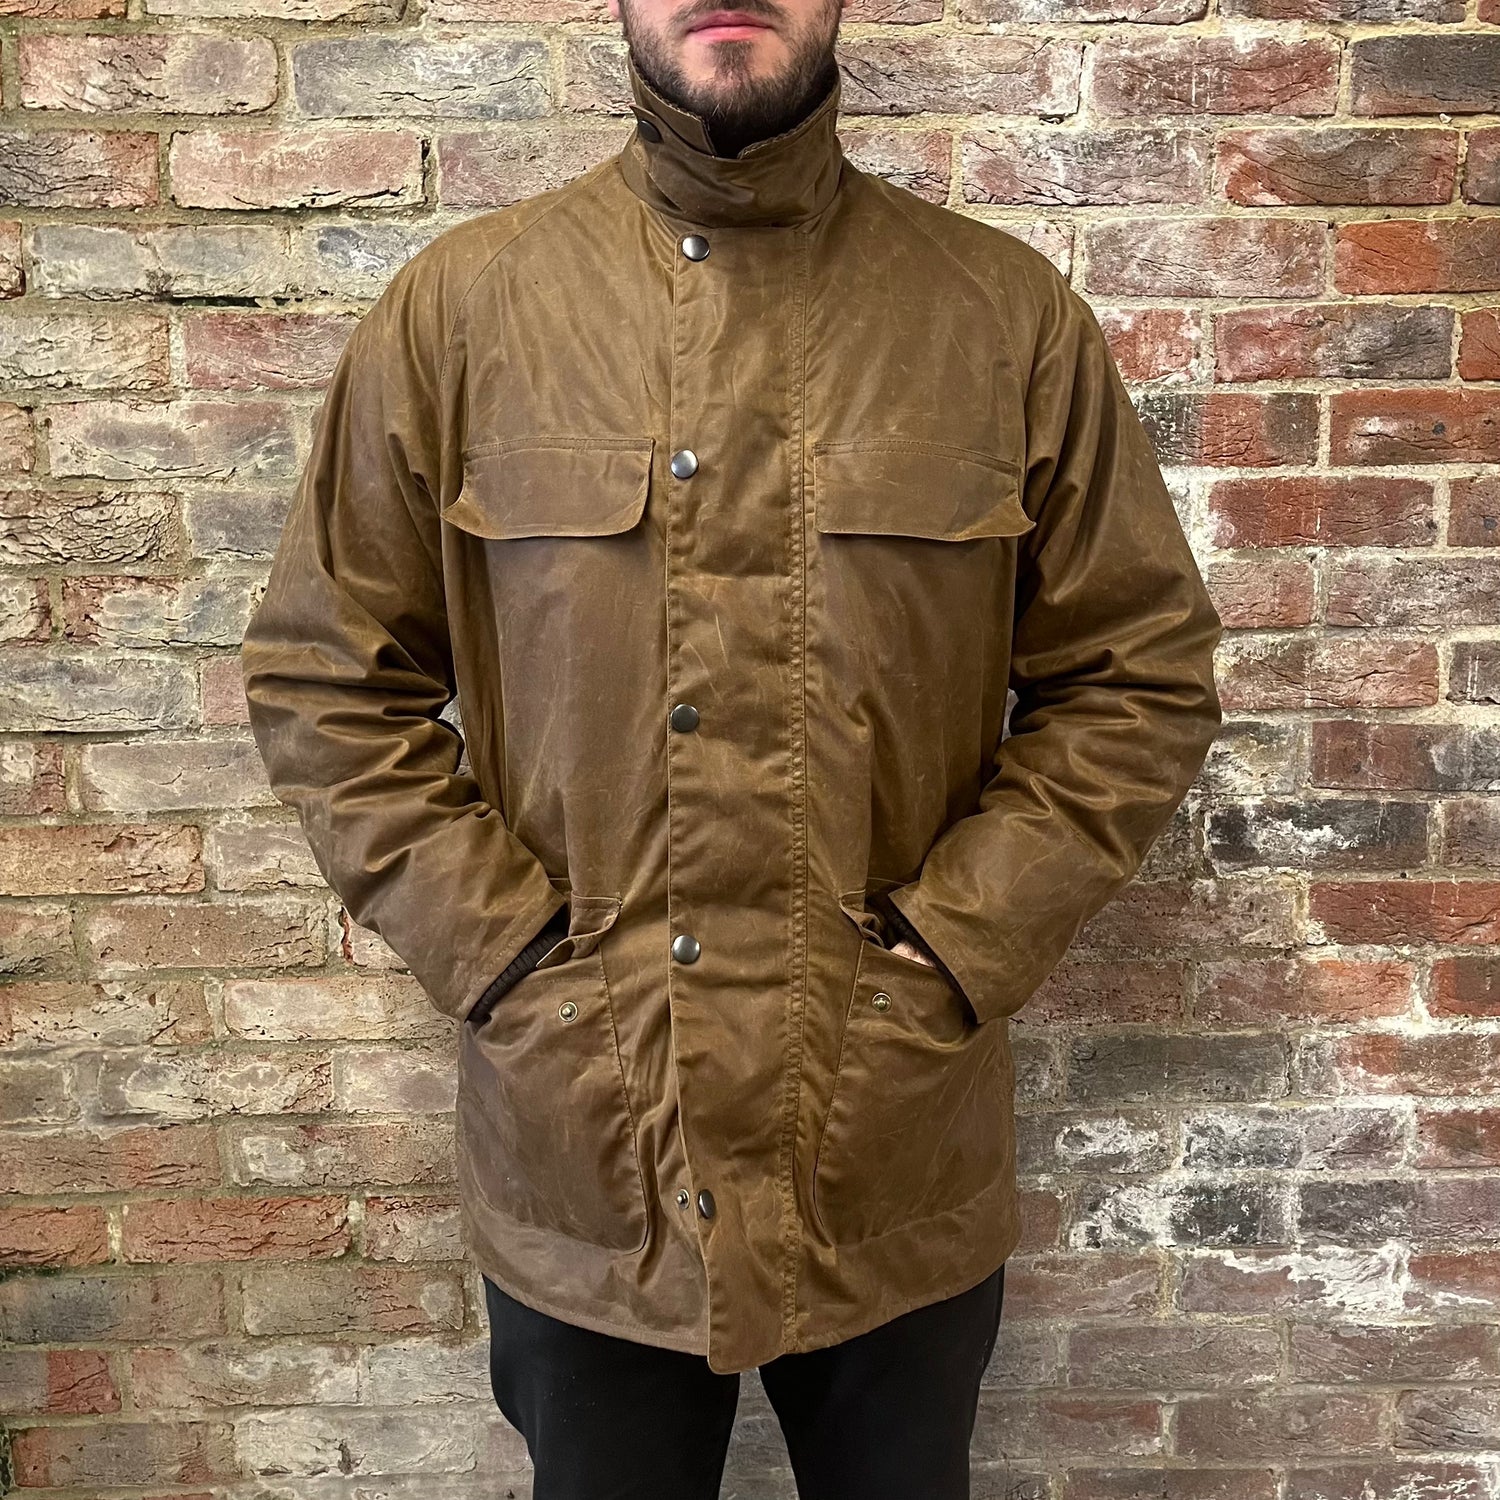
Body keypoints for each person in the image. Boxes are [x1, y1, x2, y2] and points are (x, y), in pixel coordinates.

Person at [238, 0, 1224, 1489]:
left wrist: (955, 954)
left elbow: (1134, 676)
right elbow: (328, 678)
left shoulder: (1000, 316)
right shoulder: (463, 314)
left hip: (892, 1139)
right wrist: (516, 972)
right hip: (587, 1146)